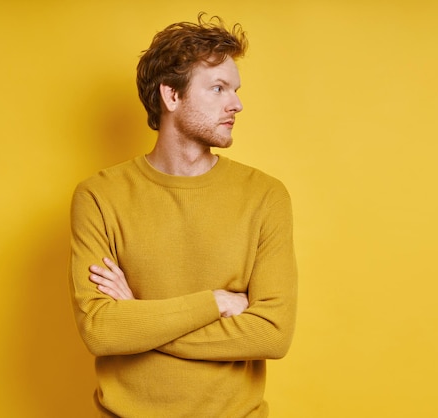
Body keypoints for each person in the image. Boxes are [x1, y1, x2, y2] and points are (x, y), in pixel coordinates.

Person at [70, 13, 297, 417]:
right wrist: (215, 302)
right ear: (171, 97)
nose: (237, 104)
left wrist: (139, 318)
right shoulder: (99, 196)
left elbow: (272, 334)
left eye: (236, 89)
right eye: (218, 88)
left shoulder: (265, 196)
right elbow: (101, 331)